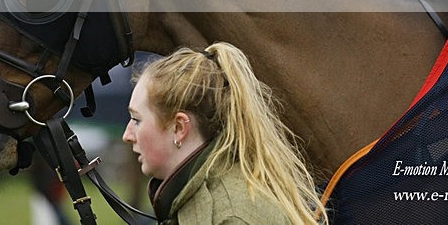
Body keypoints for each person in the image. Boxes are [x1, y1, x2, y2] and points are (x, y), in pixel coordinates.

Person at [122, 42, 327, 224]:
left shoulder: (235, 216)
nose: (127, 135)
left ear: (179, 128)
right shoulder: (197, 198)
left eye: (137, 120)